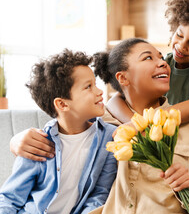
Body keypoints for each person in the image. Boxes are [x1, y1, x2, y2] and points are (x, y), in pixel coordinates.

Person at [8, 0, 189, 159]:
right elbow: (85, 120)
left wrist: (148, 123)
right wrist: (136, 123)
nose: (181, 47)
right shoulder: (166, 64)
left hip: (185, 124)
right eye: (179, 36)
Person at [89, 38, 189, 213]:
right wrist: (39, 138)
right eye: (148, 58)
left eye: (161, 57)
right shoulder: (99, 121)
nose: (163, 63)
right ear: (123, 78)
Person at [0, 50, 117, 213]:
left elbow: (98, 196)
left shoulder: (109, 138)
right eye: (88, 87)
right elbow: (10, 198)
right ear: (62, 104)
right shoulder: (37, 143)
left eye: (95, 84)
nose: (99, 91)